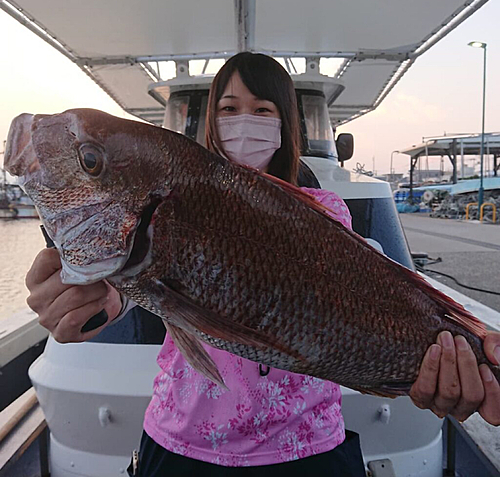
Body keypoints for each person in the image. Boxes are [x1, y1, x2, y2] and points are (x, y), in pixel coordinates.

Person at [26, 53, 500, 476]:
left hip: (308, 447)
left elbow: (370, 287)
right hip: (182, 443)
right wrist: (85, 303)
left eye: (262, 109)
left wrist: (452, 357)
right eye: (228, 108)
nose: (243, 120)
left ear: (285, 122)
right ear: (210, 120)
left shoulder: (327, 209)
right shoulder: (166, 219)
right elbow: (126, 295)